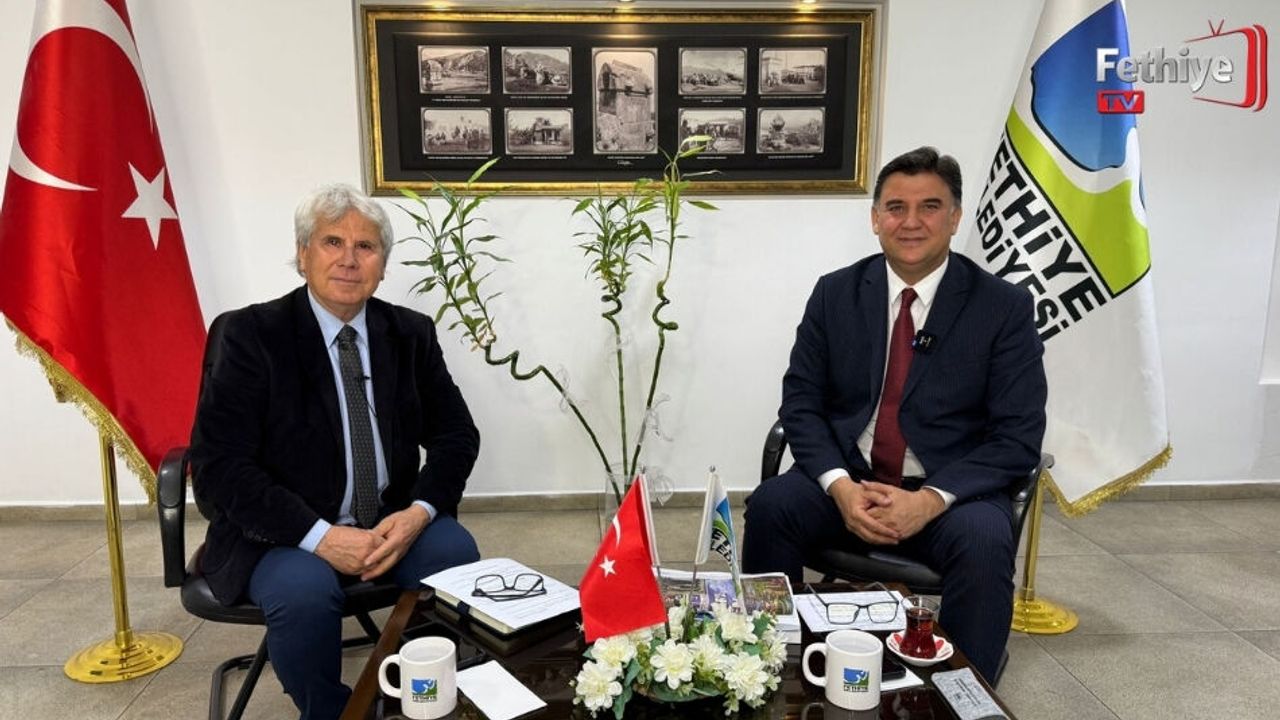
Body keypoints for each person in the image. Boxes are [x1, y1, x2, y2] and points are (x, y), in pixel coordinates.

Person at [742, 147, 1047, 681]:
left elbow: (1018, 436)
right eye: (895, 207)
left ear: (955, 217)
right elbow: (801, 402)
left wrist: (929, 500)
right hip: (851, 480)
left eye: (930, 206)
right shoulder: (835, 293)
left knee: (984, 541)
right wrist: (840, 487)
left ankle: (961, 691)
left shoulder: (1003, 307)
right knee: (772, 506)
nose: (911, 222)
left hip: (949, 494)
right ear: (875, 218)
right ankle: (769, 666)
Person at [190, 184, 481, 720]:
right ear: (303, 255)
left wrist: (418, 514)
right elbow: (220, 468)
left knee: (453, 553)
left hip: (389, 522)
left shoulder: (409, 333)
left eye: (365, 246)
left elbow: (457, 434)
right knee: (303, 593)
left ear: (383, 265)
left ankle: (416, 697)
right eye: (332, 242)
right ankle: (334, 713)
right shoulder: (251, 335)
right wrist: (320, 537)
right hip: (284, 533)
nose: (349, 259)